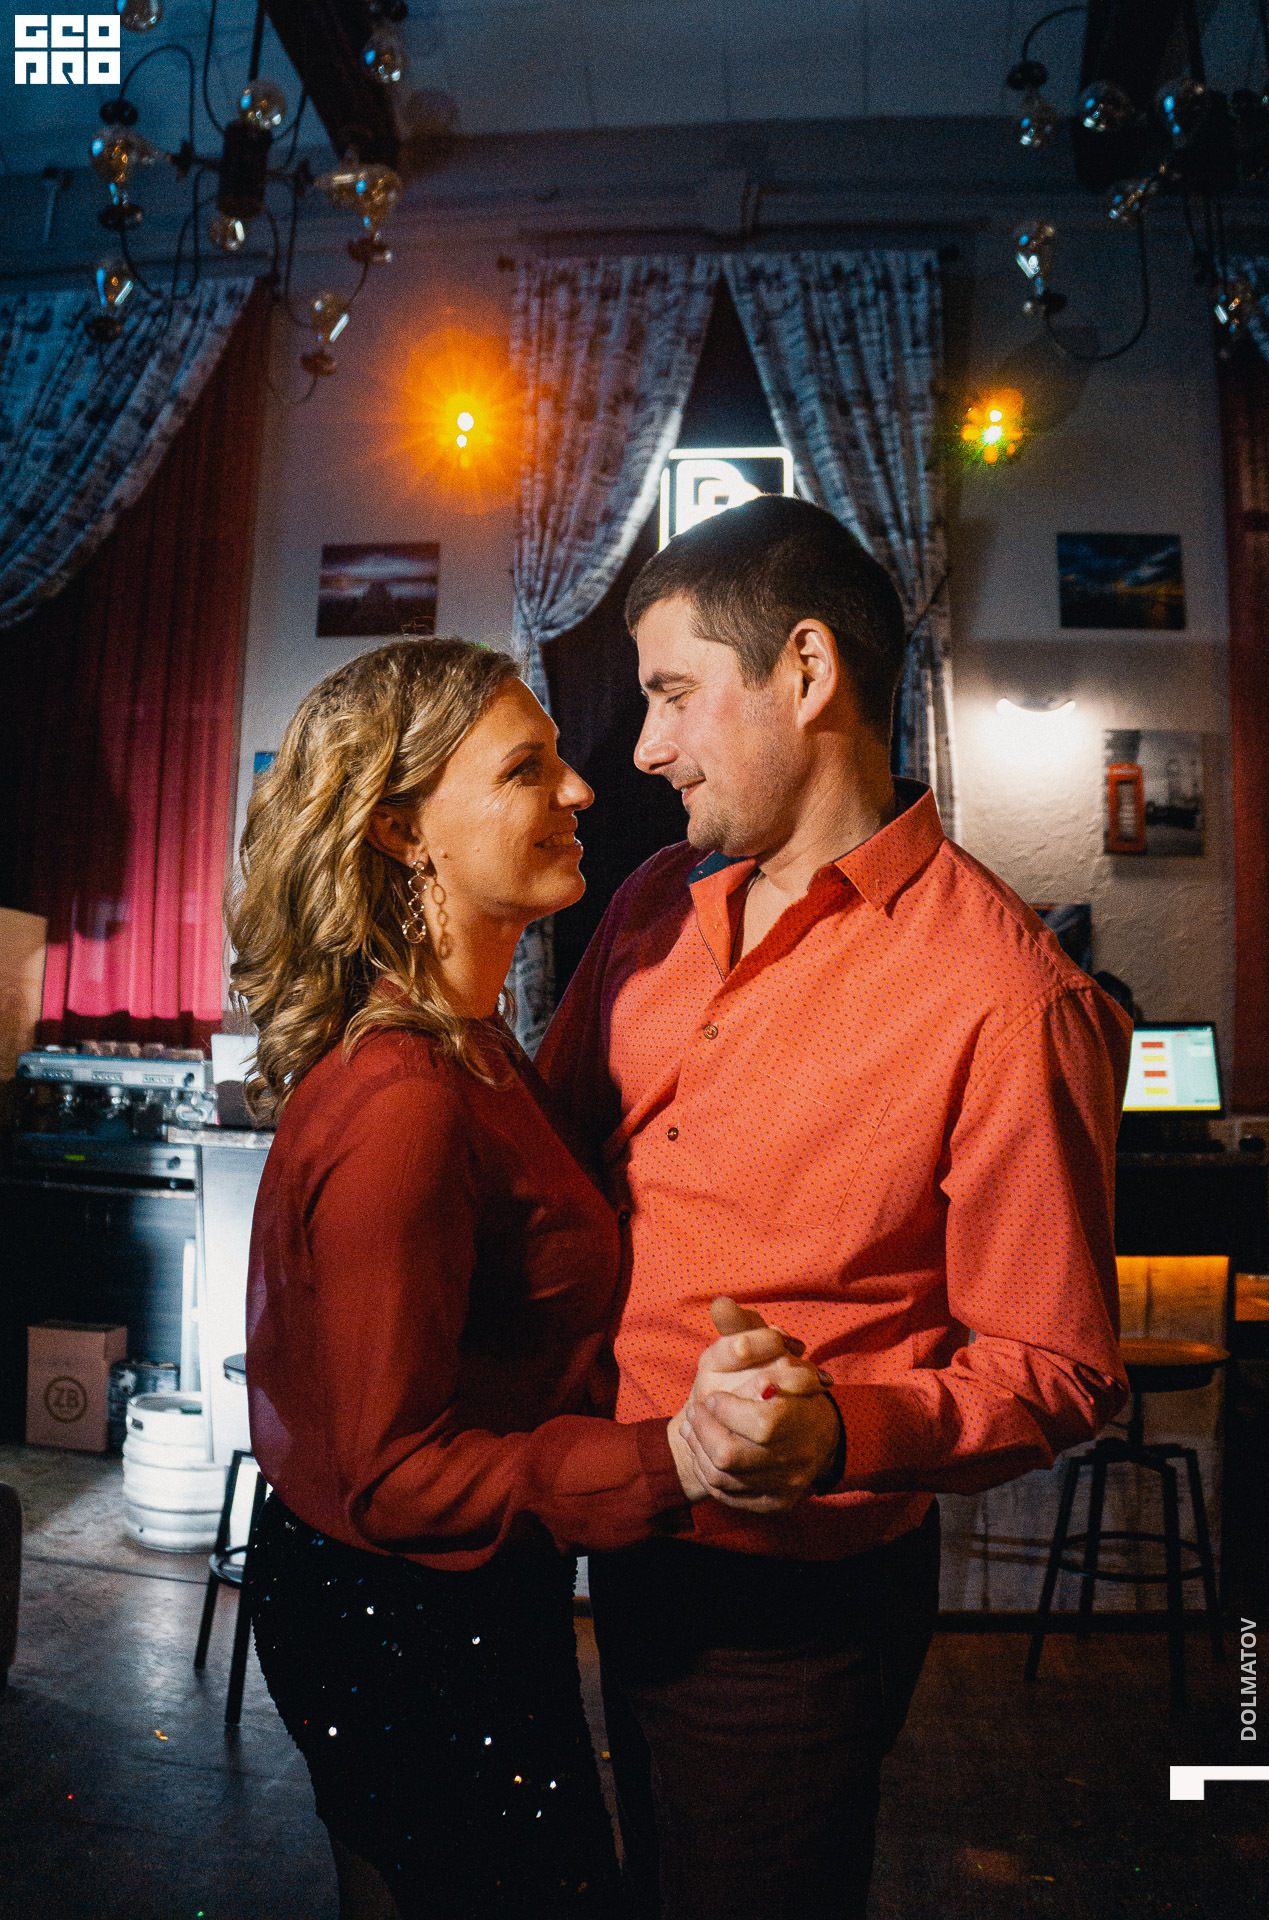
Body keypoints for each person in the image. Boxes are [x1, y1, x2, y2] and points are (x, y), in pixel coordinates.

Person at [538, 495, 1133, 1920]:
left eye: (672, 693)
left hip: (792, 1604)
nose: (644, 748)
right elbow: (546, 1161)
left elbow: (1054, 1366)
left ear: (804, 672)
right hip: (611, 1528)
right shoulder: (651, 902)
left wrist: (843, 1432)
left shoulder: (1007, 997)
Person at [228, 639, 828, 1920]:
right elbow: (393, 1473)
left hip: (447, 1588)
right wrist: (676, 1457)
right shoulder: (405, 1098)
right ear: (402, 830)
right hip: (406, 1610)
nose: (580, 790)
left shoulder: (479, 1044)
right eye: (524, 770)